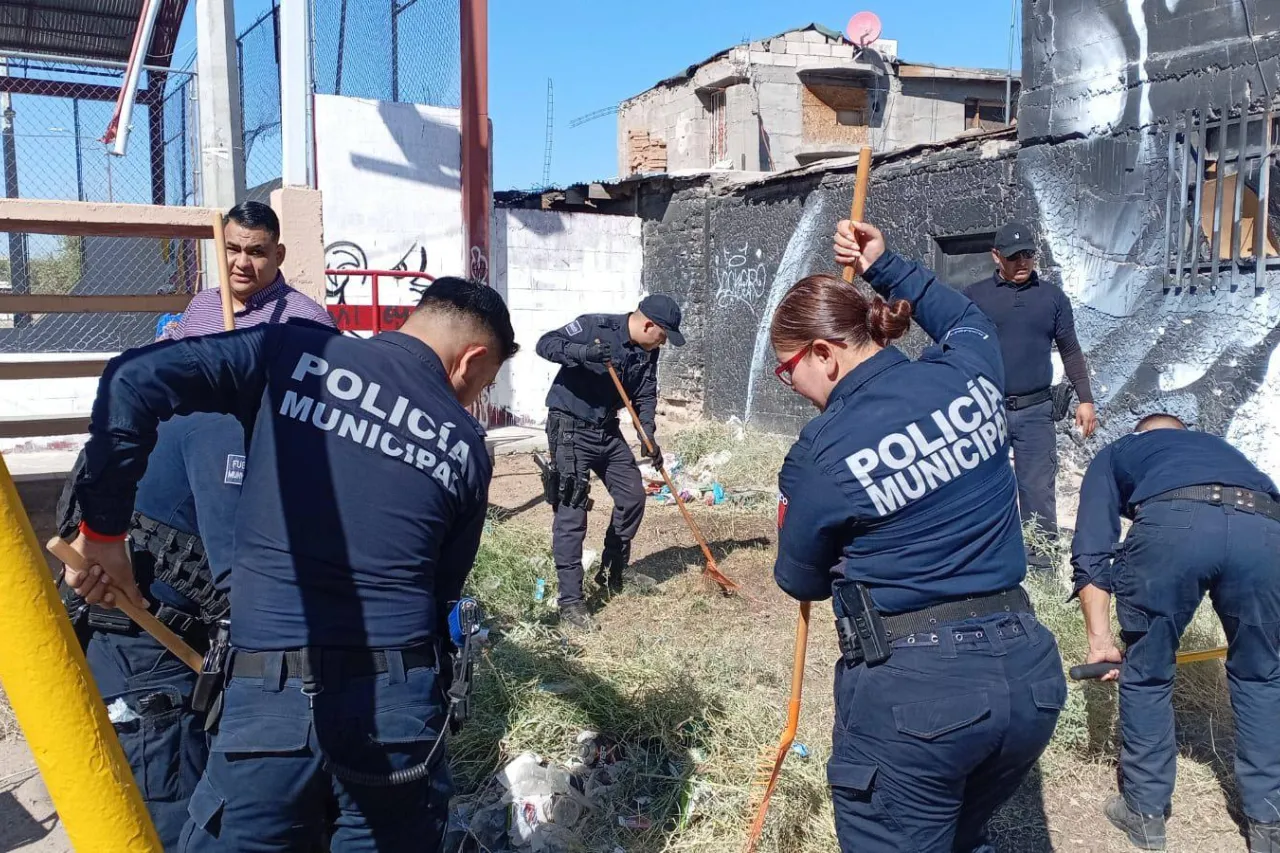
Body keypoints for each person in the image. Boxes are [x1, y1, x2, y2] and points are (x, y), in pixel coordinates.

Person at [63, 277, 517, 852]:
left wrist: (103, 533)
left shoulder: (293, 351)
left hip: (271, 702)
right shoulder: (467, 444)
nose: (472, 396)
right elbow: (440, 593)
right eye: (482, 382)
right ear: (471, 359)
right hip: (397, 711)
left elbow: (132, 378)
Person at [772, 219, 1066, 853]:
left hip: (918, 699)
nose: (790, 386)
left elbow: (799, 580)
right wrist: (886, 264)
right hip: (1028, 677)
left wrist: (799, 496)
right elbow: (964, 319)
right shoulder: (970, 367)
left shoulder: (821, 451)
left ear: (824, 352)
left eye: (786, 370)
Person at [54, 204, 336, 850]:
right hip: (143, 637)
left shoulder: (285, 339)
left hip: (164, 617)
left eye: (256, 251)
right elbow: (244, 582)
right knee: (168, 807)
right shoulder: (219, 417)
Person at [1071, 413, 1280, 853]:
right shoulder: (1225, 451)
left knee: (1147, 672)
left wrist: (1100, 641)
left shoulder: (1119, 452)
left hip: (1175, 525)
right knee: (1262, 677)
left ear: (1141, 436)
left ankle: (1144, 813)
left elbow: (1092, 548)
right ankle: (1269, 822)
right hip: (1263, 528)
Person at [535, 294, 685, 630]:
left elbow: (645, 393)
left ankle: (612, 571)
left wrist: (647, 435)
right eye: (662, 335)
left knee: (632, 496)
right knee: (573, 512)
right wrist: (583, 353)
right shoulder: (594, 327)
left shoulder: (649, 350)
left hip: (605, 430)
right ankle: (571, 604)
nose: (662, 342)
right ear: (649, 325)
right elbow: (545, 344)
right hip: (569, 427)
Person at [964, 222, 1098, 569]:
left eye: (1028, 255)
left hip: (1037, 411)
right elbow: (957, 348)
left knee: (1038, 492)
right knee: (981, 488)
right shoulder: (975, 297)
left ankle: (1041, 570)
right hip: (986, 411)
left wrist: (1085, 398)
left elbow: (1070, 349)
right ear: (996, 256)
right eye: (1013, 256)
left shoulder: (1052, 297)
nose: (1022, 262)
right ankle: (985, 564)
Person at [167, 200, 334, 339]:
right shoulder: (201, 304)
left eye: (256, 252)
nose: (242, 263)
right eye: (233, 249)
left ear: (279, 255)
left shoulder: (309, 320)